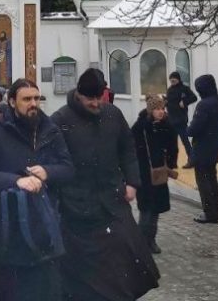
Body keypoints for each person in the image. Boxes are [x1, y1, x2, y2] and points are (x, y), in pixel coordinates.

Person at [51, 68, 160, 300]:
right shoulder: (60, 120)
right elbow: (53, 164)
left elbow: (128, 150)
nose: (96, 103)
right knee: (84, 275)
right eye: (90, 98)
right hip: (77, 208)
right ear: (79, 94)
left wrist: (132, 182)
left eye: (99, 97)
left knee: (126, 261)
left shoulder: (113, 114)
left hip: (113, 200)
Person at [0, 78, 75, 301]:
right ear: (12, 102)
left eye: (36, 98)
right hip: (8, 232)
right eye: (26, 99)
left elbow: (68, 169)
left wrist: (48, 172)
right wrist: (15, 181)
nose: (33, 104)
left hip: (45, 228)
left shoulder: (51, 130)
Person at [131, 94, 179, 254]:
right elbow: (131, 150)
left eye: (162, 108)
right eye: (157, 109)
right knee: (146, 209)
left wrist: (171, 163)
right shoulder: (140, 127)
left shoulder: (167, 125)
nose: (160, 112)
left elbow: (173, 146)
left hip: (159, 174)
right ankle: (140, 242)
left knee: (156, 209)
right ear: (150, 110)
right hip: (144, 173)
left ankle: (151, 240)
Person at [187, 74, 218, 223]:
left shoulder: (203, 105)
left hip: (202, 148)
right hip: (215, 145)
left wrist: (186, 129)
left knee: (203, 182)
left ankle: (209, 212)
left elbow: (194, 128)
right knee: (212, 178)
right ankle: (216, 210)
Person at [165, 71, 198, 168]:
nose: (172, 82)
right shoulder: (170, 90)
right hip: (171, 119)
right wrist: (165, 102)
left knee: (185, 141)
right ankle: (172, 163)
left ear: (178, 79)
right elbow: (169, 101)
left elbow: (194, 97)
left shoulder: (184, 89)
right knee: (172, 143)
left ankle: (192, 161)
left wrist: (185, 102)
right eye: (171, 80)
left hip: (181, 119)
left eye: (174, 80)